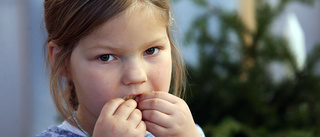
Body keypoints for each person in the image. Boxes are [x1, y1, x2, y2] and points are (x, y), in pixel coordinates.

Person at [36, 0, 205, 137]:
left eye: (150, 50)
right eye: (106, 57)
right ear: (63, 61)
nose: (137, 76)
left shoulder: (184, 132)